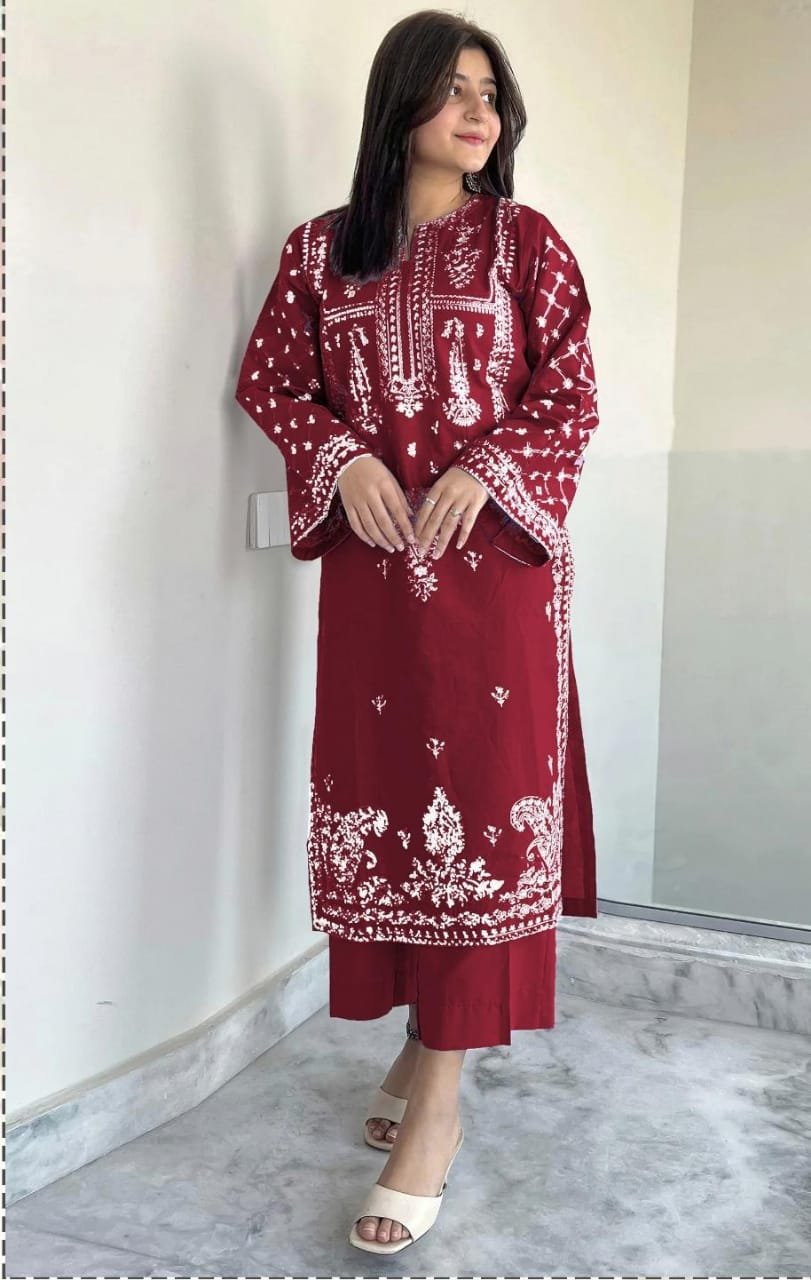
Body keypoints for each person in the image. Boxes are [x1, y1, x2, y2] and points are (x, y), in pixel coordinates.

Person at [234, 7, 600, 1256]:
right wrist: (338, 458)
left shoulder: (524, 243)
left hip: (494, 583)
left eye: (490, 91)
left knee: (479, 816)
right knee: (392, 805)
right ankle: (416, 1041)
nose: (477, 111)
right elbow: (274, 381)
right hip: (377, 591)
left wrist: (488, 470)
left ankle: (437, 1103)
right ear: (398, 105)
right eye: (451, 89)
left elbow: (569, 393)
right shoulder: (322, 251)